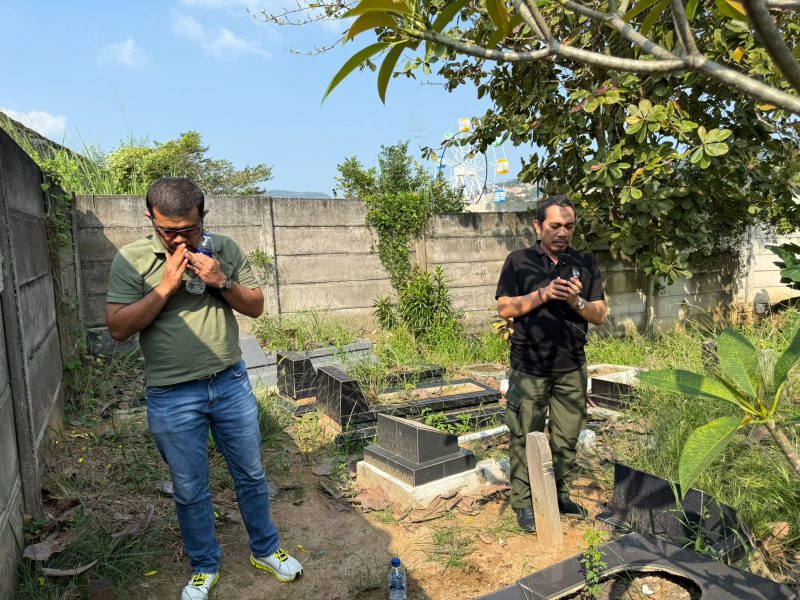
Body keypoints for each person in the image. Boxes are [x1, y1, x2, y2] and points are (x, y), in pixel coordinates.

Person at [106, 177, 302, 599]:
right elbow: (119, 327)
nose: (179, 238)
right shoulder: (132, 258)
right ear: (150, 219)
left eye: (189, 229)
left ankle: (266, 549)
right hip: (172, 394)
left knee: (250, 473)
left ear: (204, 217)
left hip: (229, 382)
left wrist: (221, 281)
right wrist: (164, 286)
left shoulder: (225, 250)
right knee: (190, 486)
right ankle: (204, 565)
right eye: (168, 231)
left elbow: (257, 306)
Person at [495, 195, 606, 533]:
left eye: (569, 226)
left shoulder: (584, 263)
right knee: (524, 434)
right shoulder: (519, 261)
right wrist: (543, 294)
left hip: (571, 366)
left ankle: (558, 494)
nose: (563, 232)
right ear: (538, 226)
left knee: (566, 437)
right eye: (555, 225)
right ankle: (525, 503)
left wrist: (575, 299)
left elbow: (599, 314)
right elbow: (505, 309)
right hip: (529, 367)